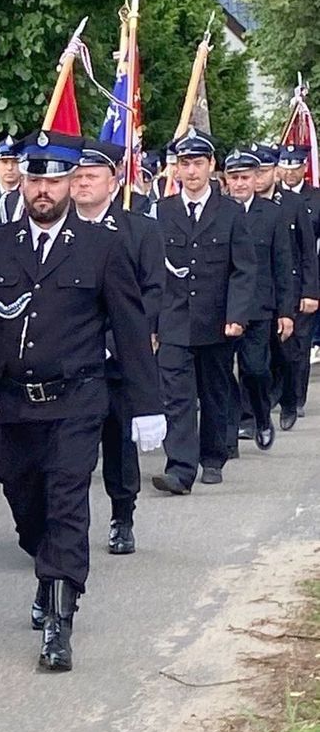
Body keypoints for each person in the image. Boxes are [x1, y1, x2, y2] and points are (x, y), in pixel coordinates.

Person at [0, 130, 163, 672]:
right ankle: (46, 563)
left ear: (72, 181)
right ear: (21, 179)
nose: (43, 188)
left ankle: (60, 616)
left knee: (67, 498)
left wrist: (147, 404)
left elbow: (130, 328)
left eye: (55, 178)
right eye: (35, 177)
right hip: (14, 401)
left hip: (79, 396)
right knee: (24, 496)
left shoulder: (104, 246)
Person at [151, 129, 257, 494]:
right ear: (176, 169)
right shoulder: (162, 212)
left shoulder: (229, 212)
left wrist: (237, 315)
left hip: (217, 320)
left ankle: (213, 456)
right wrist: (152, 322)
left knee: (213, 393)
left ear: (212, 166)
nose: (191, 171)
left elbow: (244, 268)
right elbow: (152, 271)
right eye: (184, 163)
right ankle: (180, 468)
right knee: (176, 398)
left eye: (198, 163)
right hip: (174, 320)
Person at [70, 138, 163, 554]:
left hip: (119, 358)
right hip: (68, 360)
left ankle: (122, 516)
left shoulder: (139, 230)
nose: (83, 182)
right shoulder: (59, 230)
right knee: (68, 451)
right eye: (77, 175)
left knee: (119, 443)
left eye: (92, 175)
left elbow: (152, 293)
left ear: (114, 181)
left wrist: (113, 342)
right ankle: (66, 525)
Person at [221, 147, 295, 450]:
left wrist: (285, 311)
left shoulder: (272, 214)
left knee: (255, 368)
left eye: (245, 177)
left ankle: (262, 416)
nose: (239, 184)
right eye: (234, 178)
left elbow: (282, 263)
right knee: (222, 372)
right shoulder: (218, 213)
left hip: (259, 306)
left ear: (256, 179)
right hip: (222, 306)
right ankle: (233, 429)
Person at [274, 144, 320, 427]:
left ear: (304, 168)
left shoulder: (315, 199)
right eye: (286, 168)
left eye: (295, 168)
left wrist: (312, 289)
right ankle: (275, 393)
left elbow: (310, 252)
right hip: (274, 283)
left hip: (302, 279)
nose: (290, 174)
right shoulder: (271, 199)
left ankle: (296, 397)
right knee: (275, 343)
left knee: (299, 344)